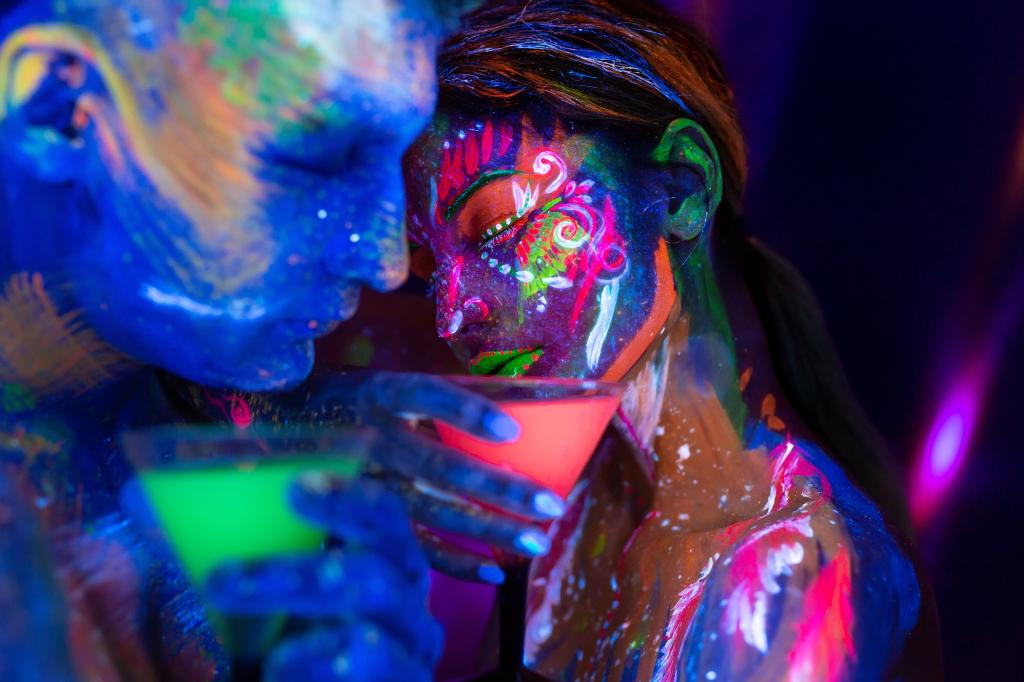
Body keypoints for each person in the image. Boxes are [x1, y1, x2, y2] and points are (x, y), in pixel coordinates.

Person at [0, 2, 566, 680]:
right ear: (56, 107)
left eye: (394, 159)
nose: (386, 262)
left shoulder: (225, 460)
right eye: (319, 157)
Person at [404, 1, 942, 679]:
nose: (450, 313)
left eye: (492, 228)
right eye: (428, 273)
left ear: (683, 191)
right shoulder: (570, 517)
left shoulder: (790, 572)